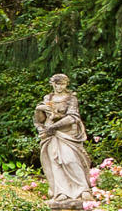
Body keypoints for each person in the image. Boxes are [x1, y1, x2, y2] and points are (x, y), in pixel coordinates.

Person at [35, 74, 92, 202]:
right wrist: (39, 110)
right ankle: (60, 192)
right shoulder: (48, 98)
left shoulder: (71, 98)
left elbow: (73, 117)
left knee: (69, 159)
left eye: (62, 84)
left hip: (67, 134)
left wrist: (55, 126)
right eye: (57, 84)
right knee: (55, 162)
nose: (59, 87)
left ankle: (83, 189)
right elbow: (40, 119)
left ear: (66, 84)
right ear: (52, 84)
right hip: (50, 134)